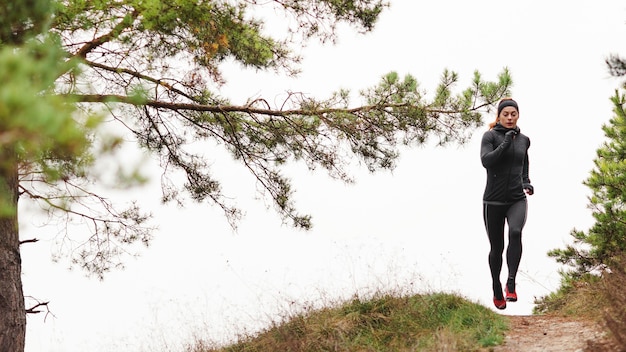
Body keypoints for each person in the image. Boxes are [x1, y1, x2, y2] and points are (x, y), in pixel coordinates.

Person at [480, 98, 534, 310]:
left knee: (515, 232)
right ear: (499, 116)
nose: (510, 117)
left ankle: (510, 282)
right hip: (492, 201)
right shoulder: (490, 136)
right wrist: (505, 143)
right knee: (497, 247)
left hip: (516, 199)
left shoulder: (524, 139)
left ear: (518, 115)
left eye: (513, 114)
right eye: (506, 114)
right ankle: (496, 286)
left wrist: (526, 182)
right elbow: (487, 161)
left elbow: (524, 162)